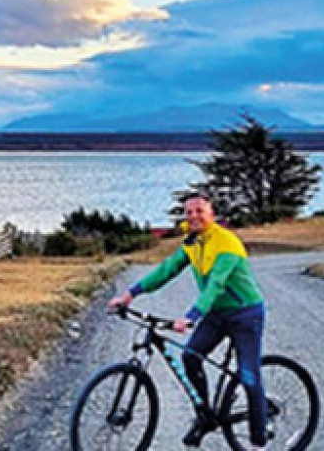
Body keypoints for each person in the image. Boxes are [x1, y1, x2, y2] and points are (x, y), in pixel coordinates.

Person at [108, 192, 268, 451]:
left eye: (199, 210)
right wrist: (130, 294)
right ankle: (205, 416)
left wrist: (192, 316)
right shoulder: (192, 243)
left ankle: (259, 442)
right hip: (217, 314)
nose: (193, 216)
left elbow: (216, 285)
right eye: (189, 212)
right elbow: (167, 270)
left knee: (249, 376)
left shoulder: (226, 243)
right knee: (190, 357)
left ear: (212, 214)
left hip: (245, 314)